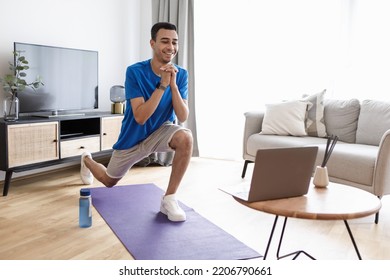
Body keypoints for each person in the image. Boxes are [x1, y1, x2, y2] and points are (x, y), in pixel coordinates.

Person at [80, 22, 193, 222]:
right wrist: (162, 85)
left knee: (186, 137)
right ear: (152, 43)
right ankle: (86, 160)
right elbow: (140, 117)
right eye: (164, 41)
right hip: (133, 137)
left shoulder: (181, 74)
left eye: (174, 42)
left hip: (160, 132)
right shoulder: (135, 72)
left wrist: (173, 86)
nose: (171, 47)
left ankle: (169, 199)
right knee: (108, 181)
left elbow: (183, 116)